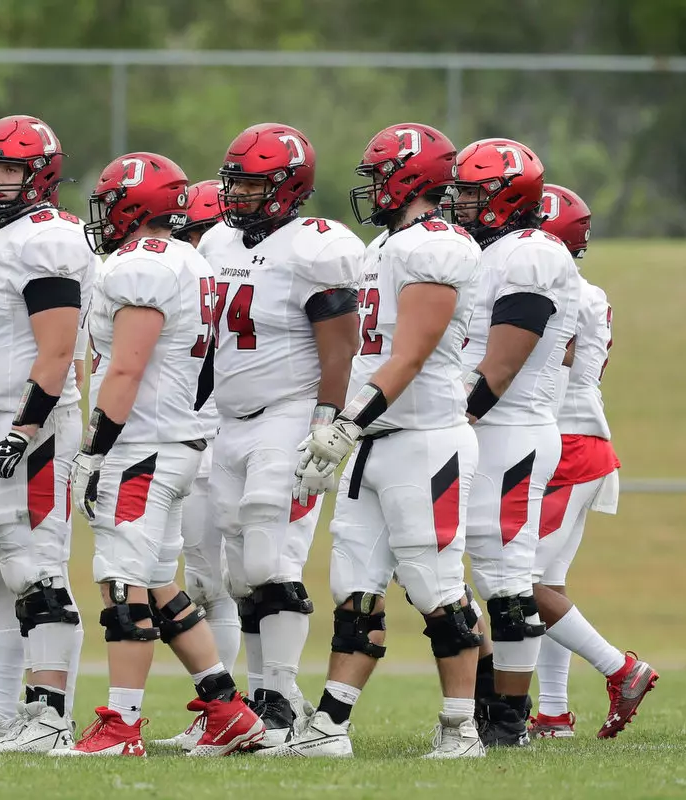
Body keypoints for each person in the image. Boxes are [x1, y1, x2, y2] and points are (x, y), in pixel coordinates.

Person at [282, 123, 486, 759]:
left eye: (379, 176)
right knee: (354, 589)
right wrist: (337, 422)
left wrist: (345, 424)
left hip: (425, 438)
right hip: (374, 438)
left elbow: (411, 355)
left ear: (411, 178)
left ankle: (462, 728)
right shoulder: (384, 245)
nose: (371, 188)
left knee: (434, 585)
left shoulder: (437, 245)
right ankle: (330, 726)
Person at [58, 153, 264, 758]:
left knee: (121, 580)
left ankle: (121, 726)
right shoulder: (187, 259)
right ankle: (227, 709)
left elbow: (126, 367)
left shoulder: (141, 265)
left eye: (110, 202)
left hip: (142, 444)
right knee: (154, 580)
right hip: (176, 441)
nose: (102, 215)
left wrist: (94, 449)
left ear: (134, 205)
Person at [196, 123, 363, 747]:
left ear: (288, 187)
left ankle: (282, 694)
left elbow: (340, 347)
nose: (236, 194)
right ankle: (265, 695)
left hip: (289, 412)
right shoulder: (216, 241)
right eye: (234, 182)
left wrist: (327, 422)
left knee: (271, 559)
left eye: (252, 184)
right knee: (241, 573)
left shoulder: (315, 247)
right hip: (230, 418)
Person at [0, 115, 96, 753]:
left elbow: (58, 349)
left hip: (33, 425)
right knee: (9, 568)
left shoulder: (48, 238)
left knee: (39, 568)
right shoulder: (0, 234)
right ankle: (22, 713)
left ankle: (51, 718)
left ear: (41, 174)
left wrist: (24, 428)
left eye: (10, 169)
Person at [450, 138, 581, 748]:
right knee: (438, 566)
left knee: (505, 575)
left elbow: (502, 366)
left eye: (473, 193)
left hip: (509, 429)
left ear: (508, 197)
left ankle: (508, 718)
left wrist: (452, 420)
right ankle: (487, 694)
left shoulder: (532, 252)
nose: (459, 202)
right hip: (478, 427)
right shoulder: (488, 249)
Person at [529, 184, 657, 739]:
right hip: (582, 438)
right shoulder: (588, 291)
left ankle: (620, 669)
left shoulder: (558, 291)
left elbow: (545, 361)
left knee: (519, 582)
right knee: (548, 584)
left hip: (566, 442)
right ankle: (554, 714)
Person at [152, 179, 242, 752]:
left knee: (216, 583)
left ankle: (232, 706)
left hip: (210, 434)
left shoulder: (216, 275)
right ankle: (228, 705)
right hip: (191, 432)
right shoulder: (190, 274)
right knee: (199, 582)